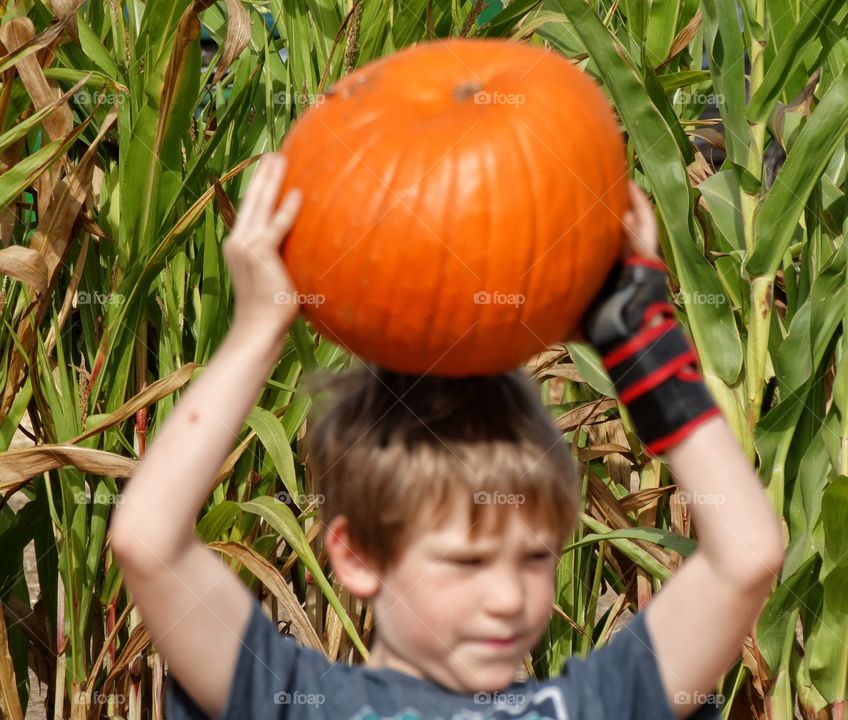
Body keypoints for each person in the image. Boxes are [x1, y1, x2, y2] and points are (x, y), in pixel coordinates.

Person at [109, 153, 785, 720]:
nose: (508, 598)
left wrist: (638, 335)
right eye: (466, 562)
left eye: (536, 558)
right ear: (356, 556)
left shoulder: (584, 705)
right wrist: (259, 330)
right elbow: (148, 541)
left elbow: (747, 555)